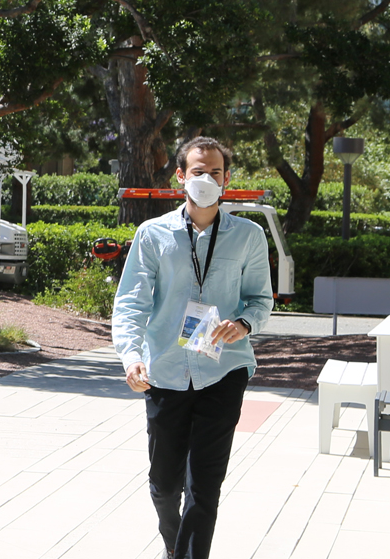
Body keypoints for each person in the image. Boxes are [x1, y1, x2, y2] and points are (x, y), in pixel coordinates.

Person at [112, 137, 272, 559]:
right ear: (180, 176)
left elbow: (261, 300)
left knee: (203, 487)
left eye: (215, 173)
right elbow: (131, 301)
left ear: (227, 180)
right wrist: (131, 357)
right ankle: (174, 549)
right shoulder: (153, 234)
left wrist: (243, 323)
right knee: (165, 486)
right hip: (164, 370)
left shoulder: (248, 236)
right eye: (198, 171)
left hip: (224, 371)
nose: (207, 179)